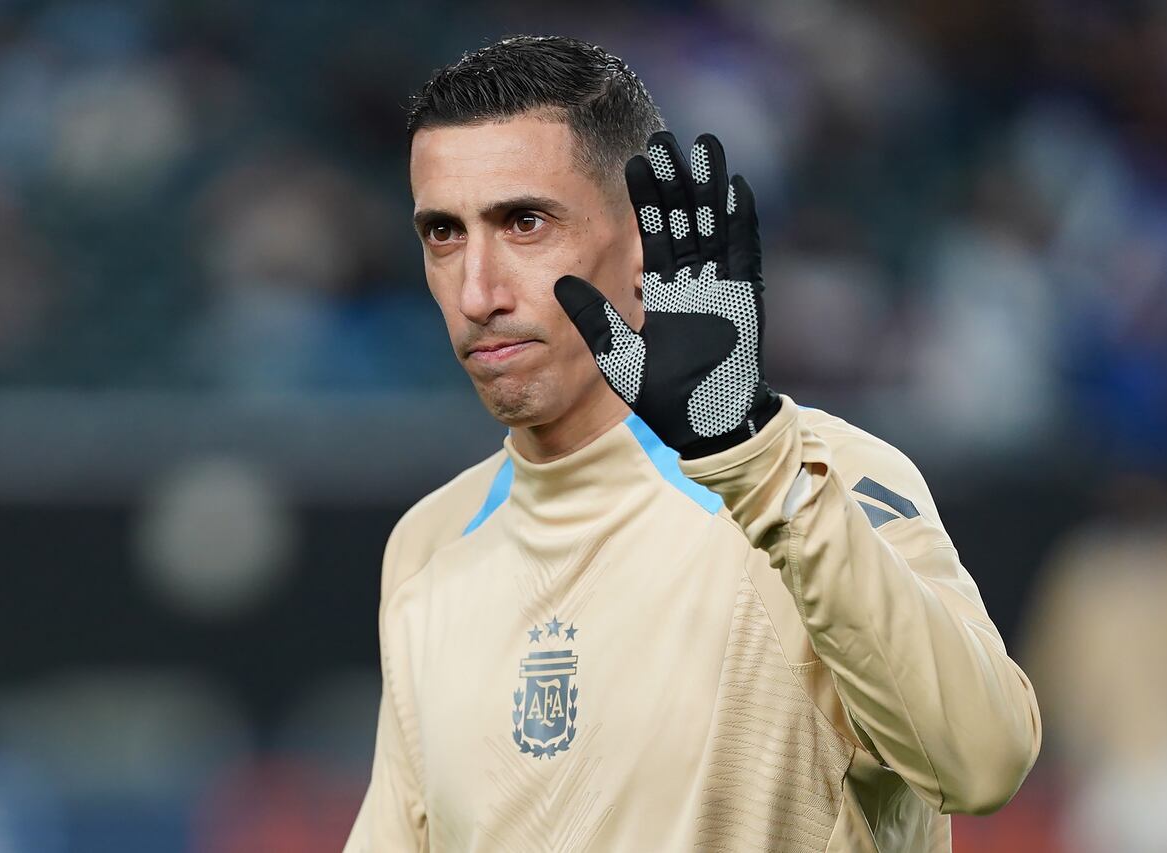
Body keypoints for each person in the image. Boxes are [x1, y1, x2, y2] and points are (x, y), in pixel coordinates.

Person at [344, 35, 1040, 852]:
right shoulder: (430, 544)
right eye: (444, 234)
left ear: (644, 238)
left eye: (525, 221)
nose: (477, 291)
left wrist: (750, 457)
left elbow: (985, 764)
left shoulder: (822, 476)